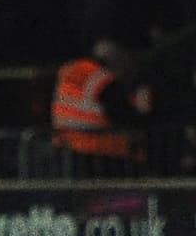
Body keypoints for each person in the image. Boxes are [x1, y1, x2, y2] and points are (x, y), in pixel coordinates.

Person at [50, 37, 152, 178]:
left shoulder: (70, 70)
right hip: (100, 152)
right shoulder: (94, 73)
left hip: (72, 148)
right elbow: (118, 106)